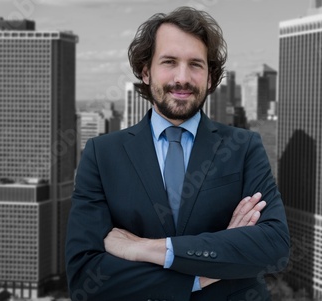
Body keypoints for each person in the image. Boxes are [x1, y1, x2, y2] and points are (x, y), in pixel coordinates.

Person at [65, 6, 290, 301]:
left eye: (196, 64)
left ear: (210, 77)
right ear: (146, 71)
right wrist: (216, 263)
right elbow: (84, 276)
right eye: (169, 62)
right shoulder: (101, 154)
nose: (182, 78)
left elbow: (273, 246)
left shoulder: (244, 147)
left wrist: (144, 249)